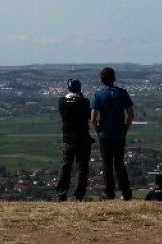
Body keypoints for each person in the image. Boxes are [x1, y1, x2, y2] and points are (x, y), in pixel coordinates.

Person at [90, 66, 134, 200]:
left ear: (101, 80)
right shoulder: (123, 93)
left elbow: (93, 119)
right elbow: (131, 114)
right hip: (119, 133)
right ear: (114, 78)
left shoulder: (98, 95)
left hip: (105, 134)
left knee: (107, 164)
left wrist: (98, 132)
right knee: (119, 163)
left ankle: (109, 193)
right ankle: (126, 193)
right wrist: (125, 128)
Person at [56, 79, 94, 202]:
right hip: (82, 139)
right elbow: (89, 116)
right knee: (81, 167)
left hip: (67, 139)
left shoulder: (62, 101)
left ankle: (61, 194)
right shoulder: (84, 102)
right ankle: (78, 196)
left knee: (65, 167)